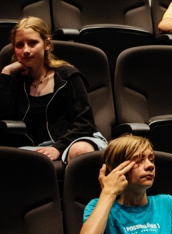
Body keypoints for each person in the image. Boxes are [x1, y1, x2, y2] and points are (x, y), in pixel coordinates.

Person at [1, 17, 107, 163]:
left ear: (47, 45)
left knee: (80, 150)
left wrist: (58, 147)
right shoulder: (15, 81)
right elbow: (5, 120)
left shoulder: (68, 76)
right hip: (35, 148)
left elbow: (85, 123)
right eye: (19, 45)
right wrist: (5, 73)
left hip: (74, 140)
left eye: (32, 43)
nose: (25, 50)